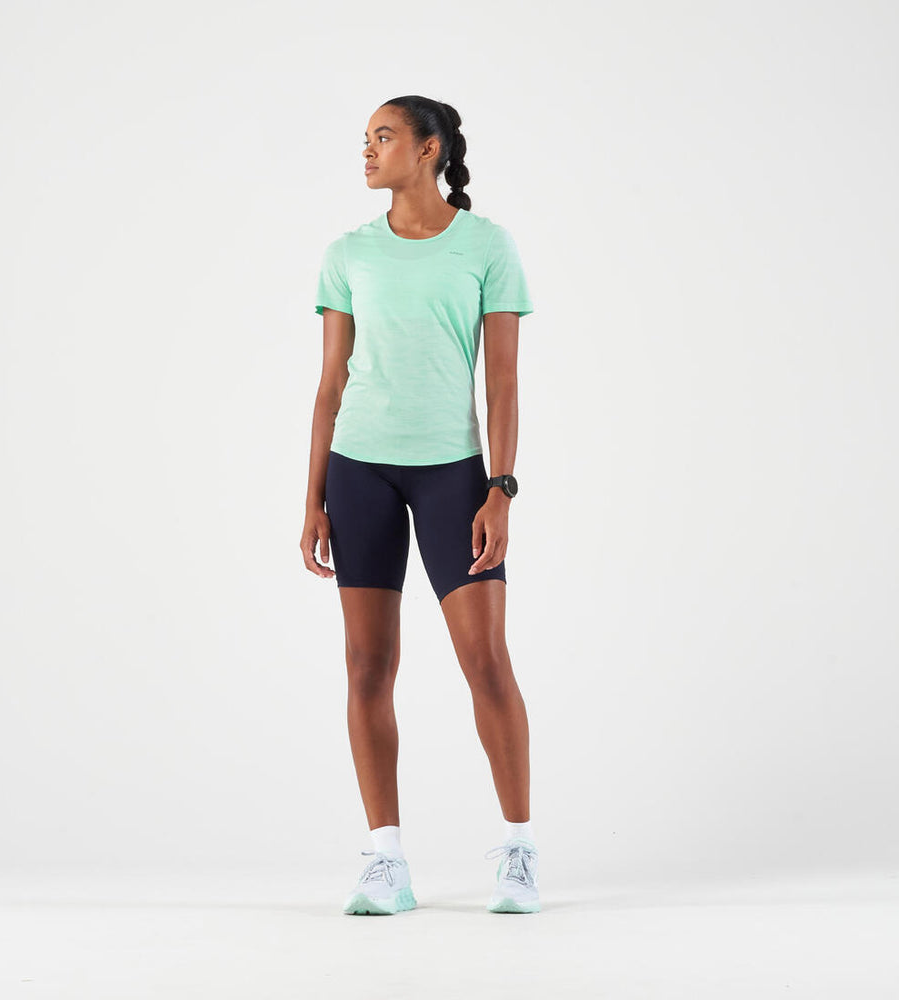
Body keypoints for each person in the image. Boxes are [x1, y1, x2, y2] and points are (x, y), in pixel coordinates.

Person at [300, 95, 539, 916]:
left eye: (385, 137)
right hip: (358, 471)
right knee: (367, 667)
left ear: (429, 149)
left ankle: (518, 851)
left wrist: (501, 487)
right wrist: (312, 498)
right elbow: (329, 385)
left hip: (454, 475)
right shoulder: (347, 254)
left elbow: (502, 381)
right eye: (365, 139)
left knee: (486, 660)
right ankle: (386, 861)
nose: (368, 151)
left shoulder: (487, 246)